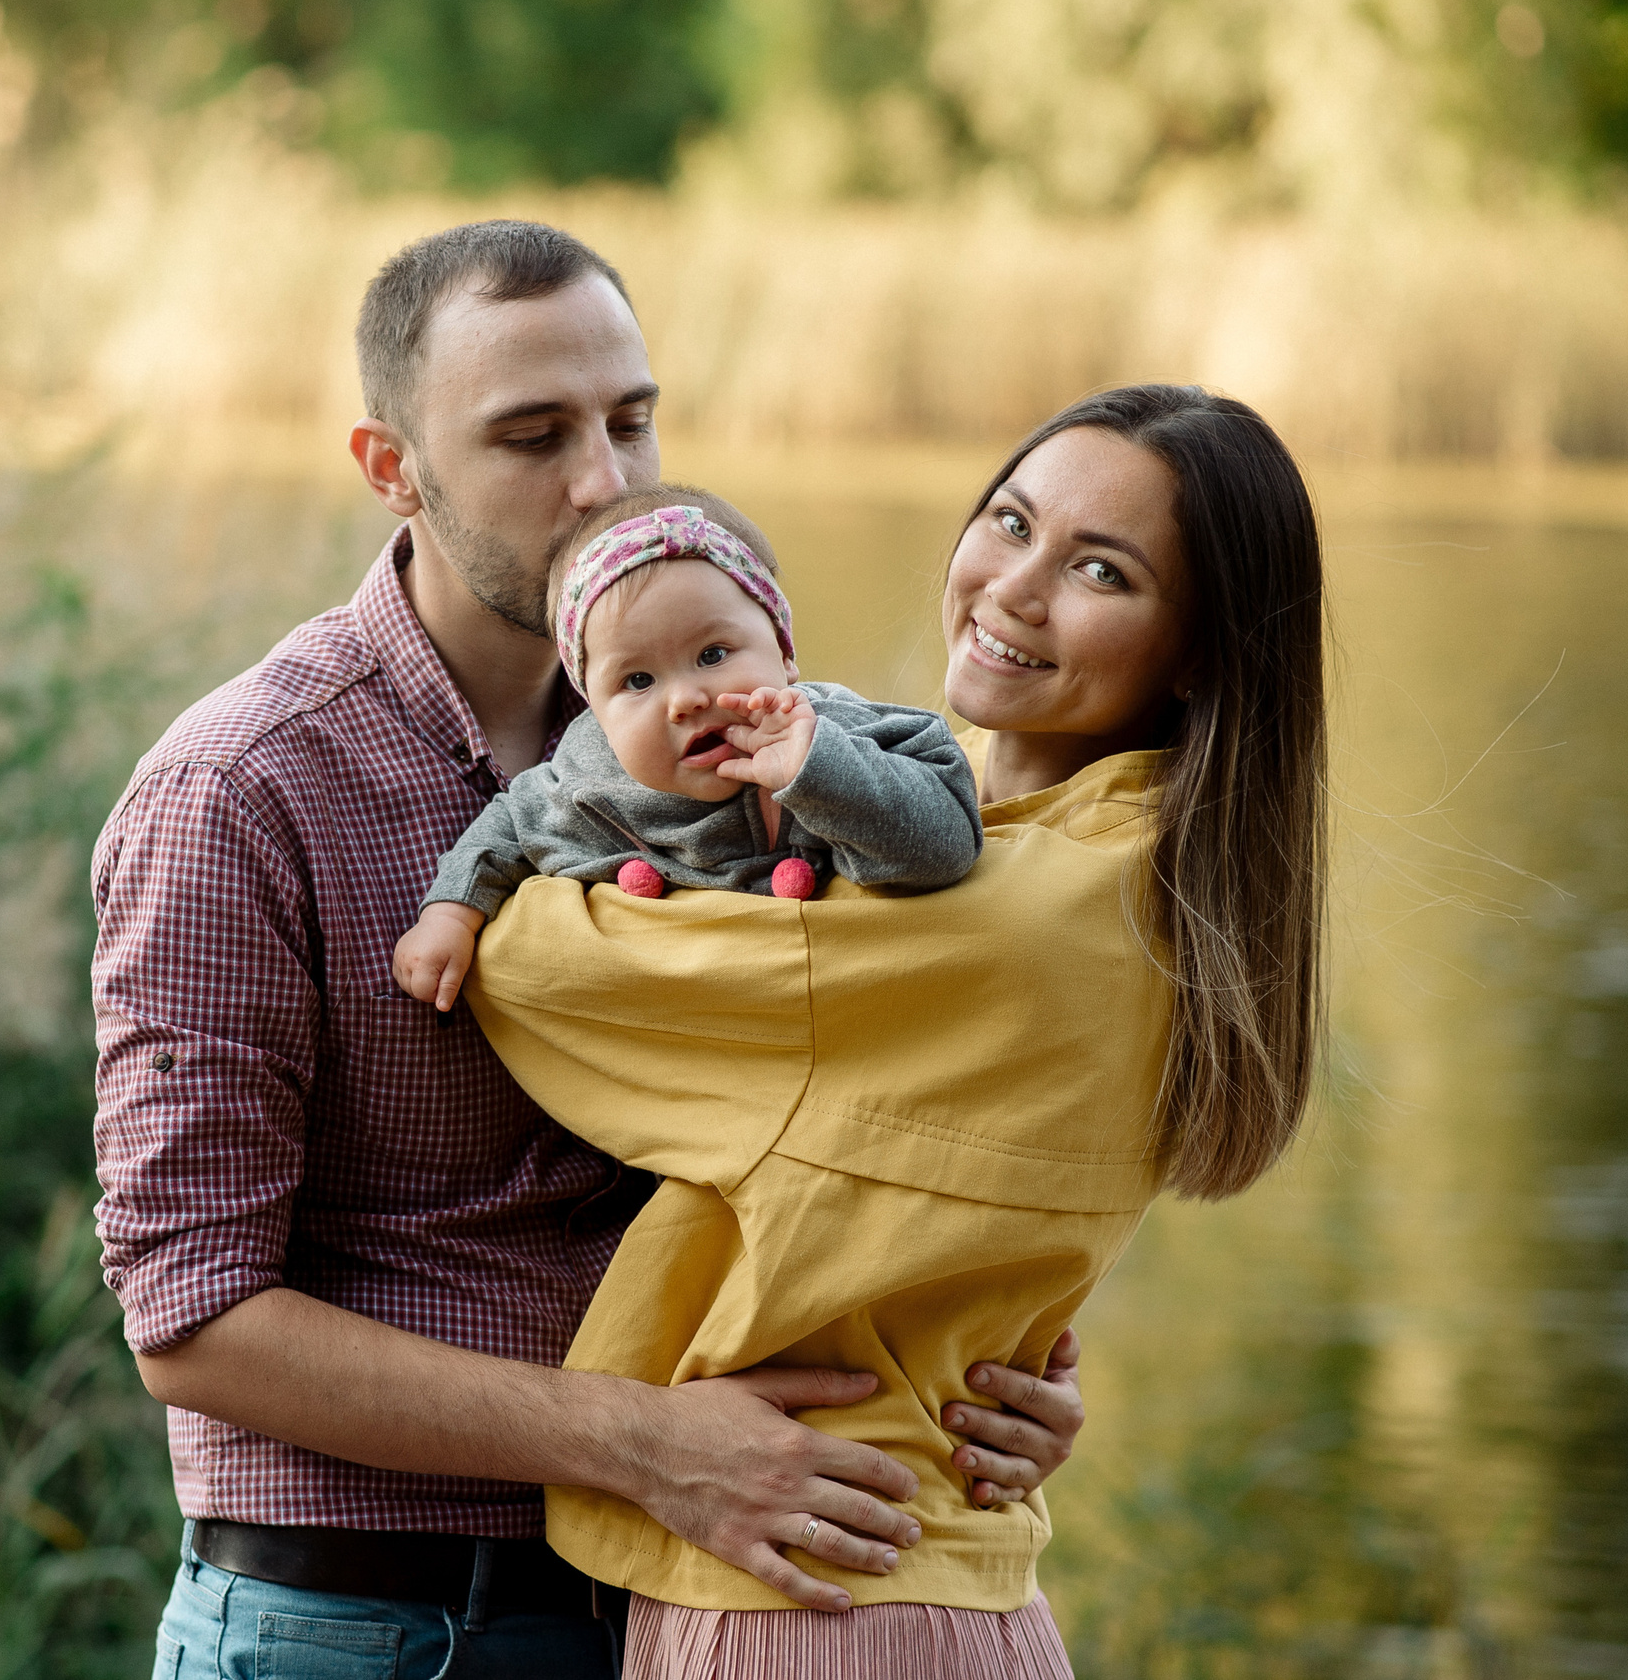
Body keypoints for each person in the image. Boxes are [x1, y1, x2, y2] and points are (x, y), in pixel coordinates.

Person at [89, 220, 1084, 1680]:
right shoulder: (238, 792)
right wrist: (645, 1446)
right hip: (364, 1628)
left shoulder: (750, 731)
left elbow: (867, 1121)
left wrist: (1010, 1368)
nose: (606, 482)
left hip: (698, 1607)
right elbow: (191, 1318)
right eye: (531, 436)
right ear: (392, 468)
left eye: (631, 418)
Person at [461, 383, 1329, 1677]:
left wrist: (547, 827)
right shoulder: (1143, 868)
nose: (1013, 589)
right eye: (1010, 521)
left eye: (1099, 568)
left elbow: (545, 978)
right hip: (936, 1578)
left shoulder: (1004, 913)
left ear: (1202, 647)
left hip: (811, 1588)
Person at [392, 486, 981, 1016]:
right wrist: (451, 912)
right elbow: (509, 828)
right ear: (595, 711)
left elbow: (949, 842)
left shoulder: (844, 733)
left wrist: (820, 769)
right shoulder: (591, 783)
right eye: (638, 682)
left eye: (713, 654)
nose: (686, 700)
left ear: (783, 649)